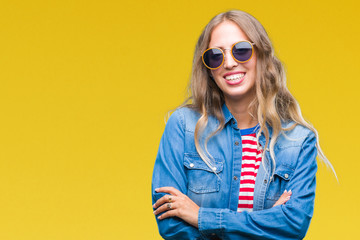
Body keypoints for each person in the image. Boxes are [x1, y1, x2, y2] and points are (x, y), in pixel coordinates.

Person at [151, 10, 335, 240]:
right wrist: (267, 220)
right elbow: (171, 225)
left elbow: (292, 226)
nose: (228, 63)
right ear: (208, 69)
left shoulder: (298, 141)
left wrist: (201, 216)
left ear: (262, 56)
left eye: (241, 51)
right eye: (215, 56)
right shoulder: (183, 126)